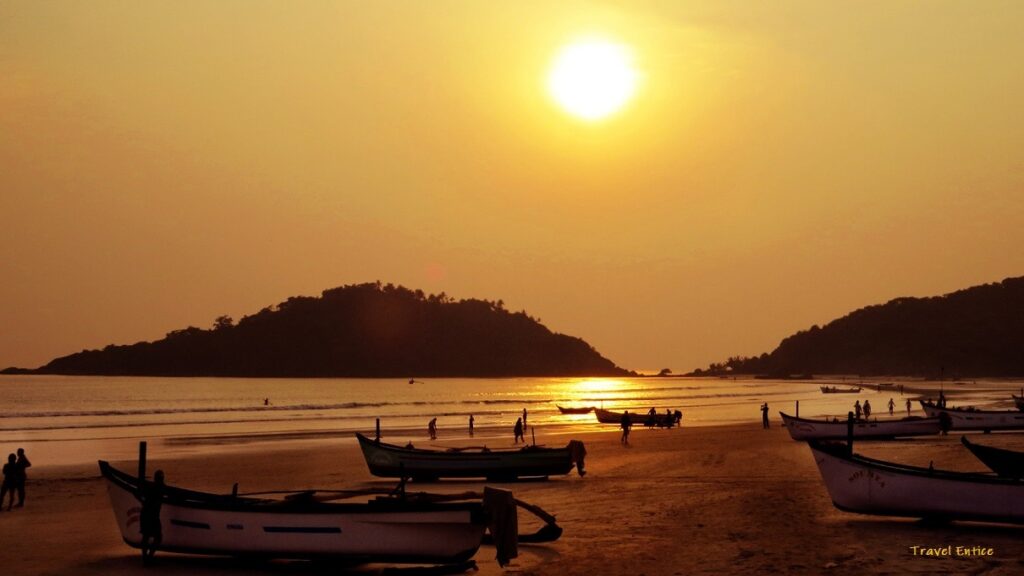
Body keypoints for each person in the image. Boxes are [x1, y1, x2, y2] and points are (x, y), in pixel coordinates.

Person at [140, 469, 165, 565]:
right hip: (152, 515)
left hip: (146, 514)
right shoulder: (161, 488)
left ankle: (146, 558)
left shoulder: (151, 487)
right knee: (157, 537)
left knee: (146, 536)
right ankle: (148, 557)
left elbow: (141, 494)